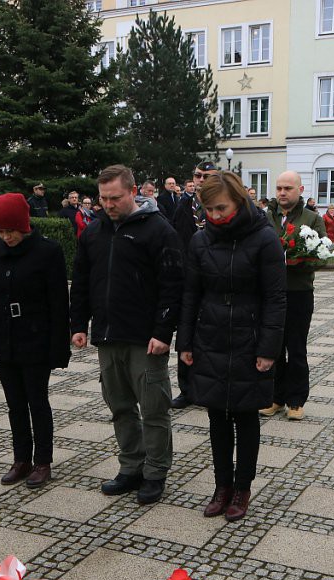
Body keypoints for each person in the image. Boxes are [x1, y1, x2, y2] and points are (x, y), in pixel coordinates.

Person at [70, 165, 183, 505]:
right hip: (108, 336)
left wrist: (164, 331)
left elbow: (173, 285)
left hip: (145, 339)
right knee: (119, 406)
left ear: (133, 192)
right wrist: (78, 324)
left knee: (154, 409)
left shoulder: (158, 230)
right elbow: (82, 283)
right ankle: (131, 466)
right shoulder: (93, 233)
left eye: (115, 198)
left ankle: (155, 471)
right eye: (103, 198)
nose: (108, 204)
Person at [178, 172, 286, 521]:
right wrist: (186, 341)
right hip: (210, 336)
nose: (215, 215)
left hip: (249, 337)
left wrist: (268, 348)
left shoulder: (265, 239)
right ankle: (221, 485)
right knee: (216, 415)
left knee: (245, 414)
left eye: (221, 207)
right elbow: (191, 293)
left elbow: (275, 298)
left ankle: (242, 488)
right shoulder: (200, 240)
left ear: (239, 200)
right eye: (208, 209)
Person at [0, 193, 71, 488]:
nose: (7, 237)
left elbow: (58, 303)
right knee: (14, 404)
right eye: (1, 232)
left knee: (37, 401)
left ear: (24, 226)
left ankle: (43, 461)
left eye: (11, 231)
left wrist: (58, 348)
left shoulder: (48, 251)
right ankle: (21, 459)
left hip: (35, 338)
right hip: (3, 337)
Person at [262, 171, 324, 421]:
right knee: (273, 347)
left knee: (296, 347)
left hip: (298, 292)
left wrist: (299, 260)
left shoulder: (312, 218)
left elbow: (321, 254)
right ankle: (275, 397)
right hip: (271, 294)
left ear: (300, 189)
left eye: (288, 188)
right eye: (279, 188)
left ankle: (296, 400)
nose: (282, 192)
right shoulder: (266, 217)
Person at [170, 161, 221, 409]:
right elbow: (176, 237)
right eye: (197, 175)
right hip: (187, 276)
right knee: (185, 333)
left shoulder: (222, 204)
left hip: (215, 277)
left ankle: (209, 386)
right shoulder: (183, 205)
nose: (200, 179)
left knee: (212, 335)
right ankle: (186, 389)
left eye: (206, 176)